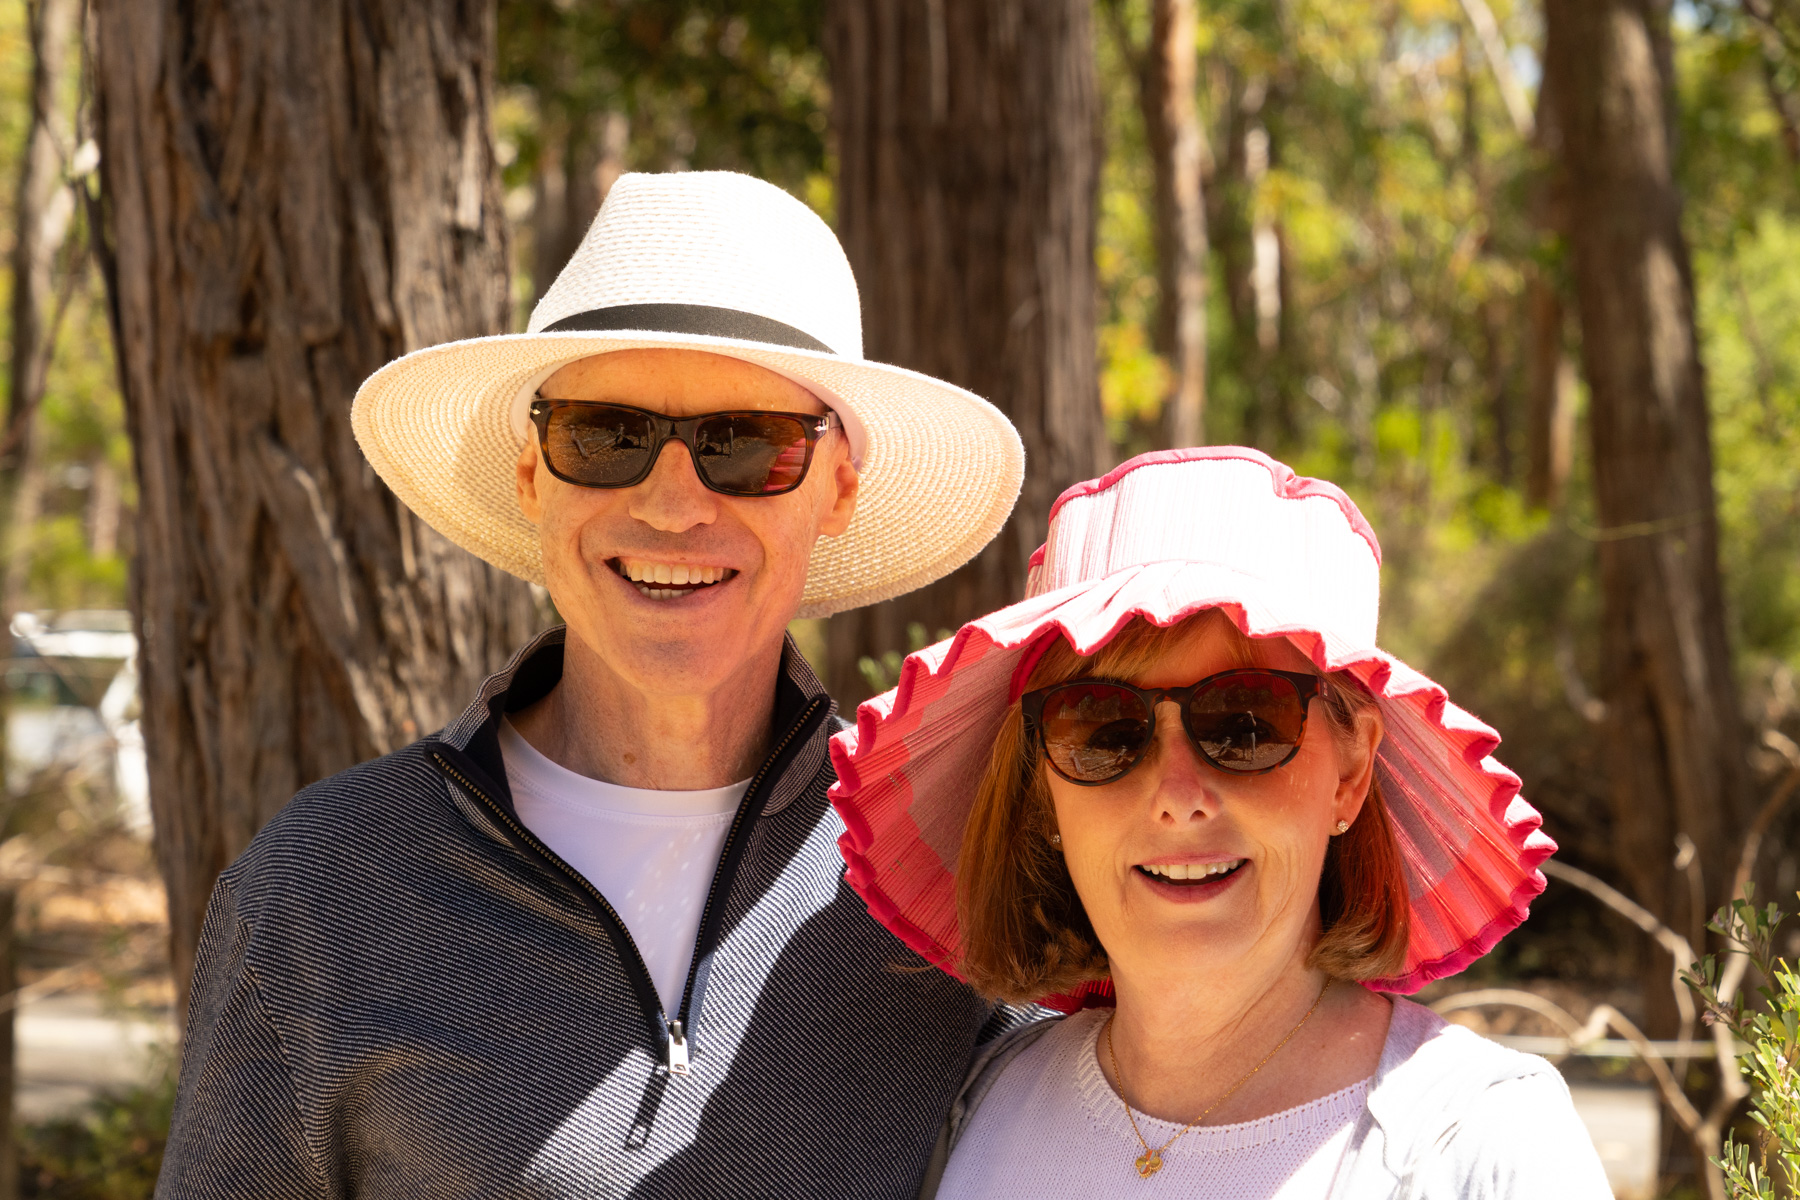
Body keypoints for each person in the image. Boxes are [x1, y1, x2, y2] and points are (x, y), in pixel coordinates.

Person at [156, 171, 1029, 1198]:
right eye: (606, 435)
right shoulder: (322, 886)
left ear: (837, 489)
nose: (671, 505)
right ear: (533, 473)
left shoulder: (950, 877)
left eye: (747, 444)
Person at [829, 448, 1614, 1198]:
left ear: (1350, 772)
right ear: (1044, 792)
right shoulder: (983, 1105)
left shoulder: (1482, 1144)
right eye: (1103, 730)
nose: (1178, 796)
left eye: (1245, 723)